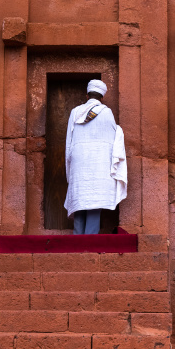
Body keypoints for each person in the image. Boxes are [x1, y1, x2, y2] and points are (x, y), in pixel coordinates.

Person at [64, 79, 127, 235]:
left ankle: (77, 236)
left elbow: (68, 142)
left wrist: (69, 165)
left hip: (79, 163)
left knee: (80, 197)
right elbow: (113, 138)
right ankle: (90, 238)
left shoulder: (75, 112)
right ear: (102, 98)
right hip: (99, 162)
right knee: (95, 198)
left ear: (87, 96)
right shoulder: (106, 113)